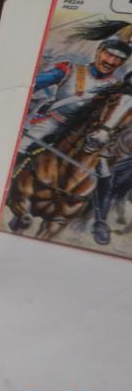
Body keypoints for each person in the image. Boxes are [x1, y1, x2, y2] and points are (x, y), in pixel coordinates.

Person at [14, 38, 131, 243]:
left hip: (90, 134)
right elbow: (31, 84)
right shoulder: (69, 70)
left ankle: (100, 221)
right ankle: (7, 188)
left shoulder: (116, 87)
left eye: (118, 59)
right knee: (23, 146)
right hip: (55, 122)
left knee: (104, 174)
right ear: (99, 51)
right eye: (108, 54)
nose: (111, 61)